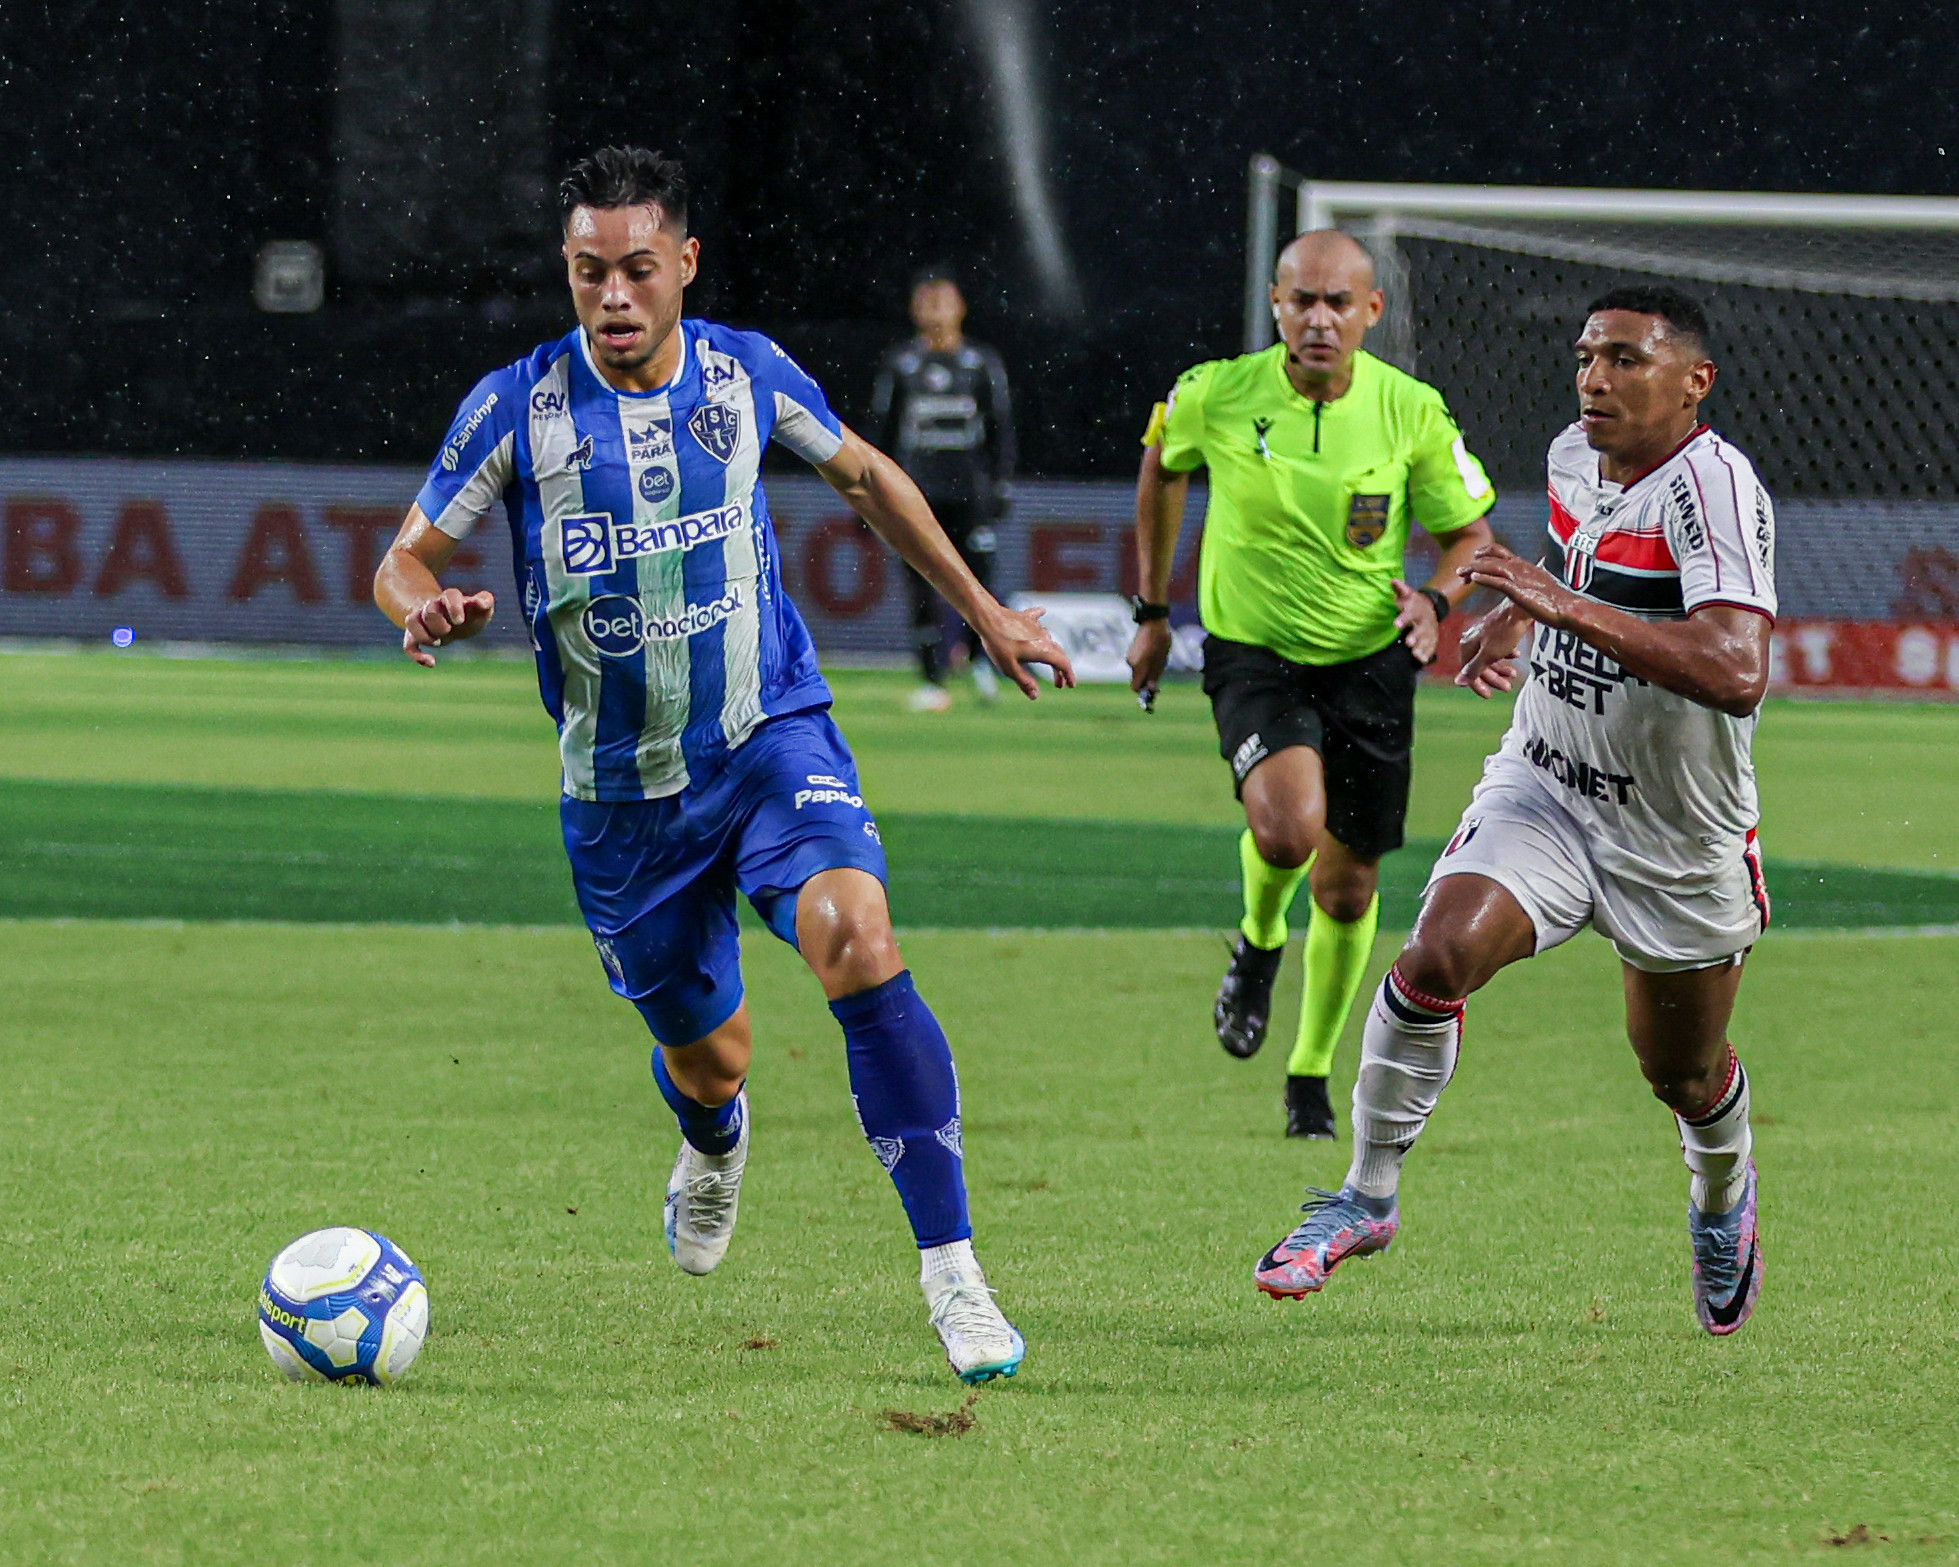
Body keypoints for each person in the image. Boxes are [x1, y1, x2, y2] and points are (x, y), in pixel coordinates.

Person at [371, 147, 1074, 1384]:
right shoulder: (516, 407)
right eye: (590, 271)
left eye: (639, 268)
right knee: (714, 1055)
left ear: (683, 264)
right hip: (621, 804)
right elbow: (401, 558)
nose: (614, 295)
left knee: (858, 936)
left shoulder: (745, 375)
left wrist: (983, 610)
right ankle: (713, 1135)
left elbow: (864, 474)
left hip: (767, 737)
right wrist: (420, 604)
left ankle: (955, 1275)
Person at [1252, 286, 1774, 1338]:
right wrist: (1511, 619)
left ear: (1694, 381)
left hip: (1678, 830)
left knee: (1679, 1070)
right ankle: (1365, 1195)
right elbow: (1582, 574)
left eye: (1627, 359)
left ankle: (1722, 1201)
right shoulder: (1573, 457)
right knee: (1435, 956)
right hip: (1547, 778)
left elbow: (1735, 668)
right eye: (1587, 356)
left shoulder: (1714, 490)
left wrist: (1551, 605)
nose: (1595, 378)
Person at [1127, 230, 1497, 1139]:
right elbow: (1160, 467)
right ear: (1275, 304)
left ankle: (1309, 1071)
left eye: (1339, 303)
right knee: (1287, 828)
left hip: (1370, 660)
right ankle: (1257, 943)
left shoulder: (1410, 411)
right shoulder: (1213, 393)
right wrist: (1150, 606)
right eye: (1303, 301)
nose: (1319, 319)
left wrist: (1439, 604)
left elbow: (1471, 538)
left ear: (1372, 312)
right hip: (1254, 652)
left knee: (1346, 887)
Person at [871, 268, 1016, 712]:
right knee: (920, 584)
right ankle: (933, 679)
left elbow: (1000, 428)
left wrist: (1000, 484)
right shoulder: (902, 364)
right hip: (917, 494)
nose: (936, 311)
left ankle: (980, 663)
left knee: (978, 581)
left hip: (970, 493)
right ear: (916, 311)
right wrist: (877, 493)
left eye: (944, 302)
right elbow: (883, 431)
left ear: (960, 308)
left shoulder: (980, 363)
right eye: (928, 303)